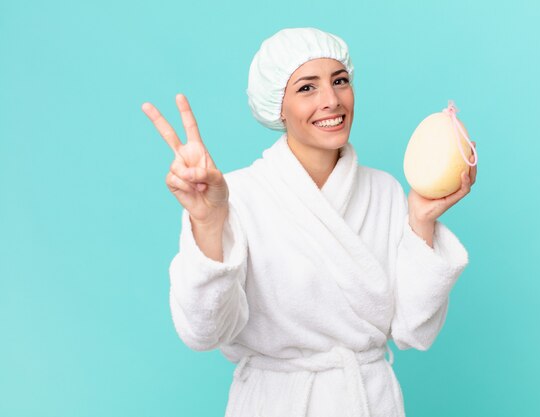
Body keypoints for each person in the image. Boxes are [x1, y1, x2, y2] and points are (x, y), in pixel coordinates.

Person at [142, 27, 477, 417]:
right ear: (275, 106)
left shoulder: (385, 191)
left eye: (340, 81)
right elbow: (203, 333)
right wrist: (208, 222)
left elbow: (414, 332)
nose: (331, 100)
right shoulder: (236, 195)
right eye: (306, 88)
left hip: (366, 399)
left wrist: (421, 221)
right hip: (274, 403)